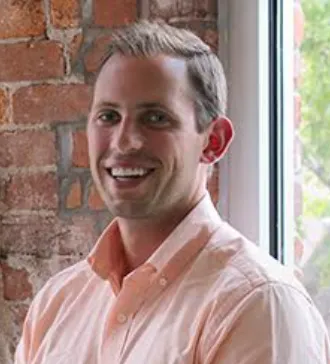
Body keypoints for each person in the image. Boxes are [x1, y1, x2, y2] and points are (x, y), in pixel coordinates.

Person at [15, 21, 330, 364]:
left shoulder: (258, 306)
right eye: (108, 116)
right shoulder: (57, 303)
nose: (123, 141)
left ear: (213, 141)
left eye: (155, 118)